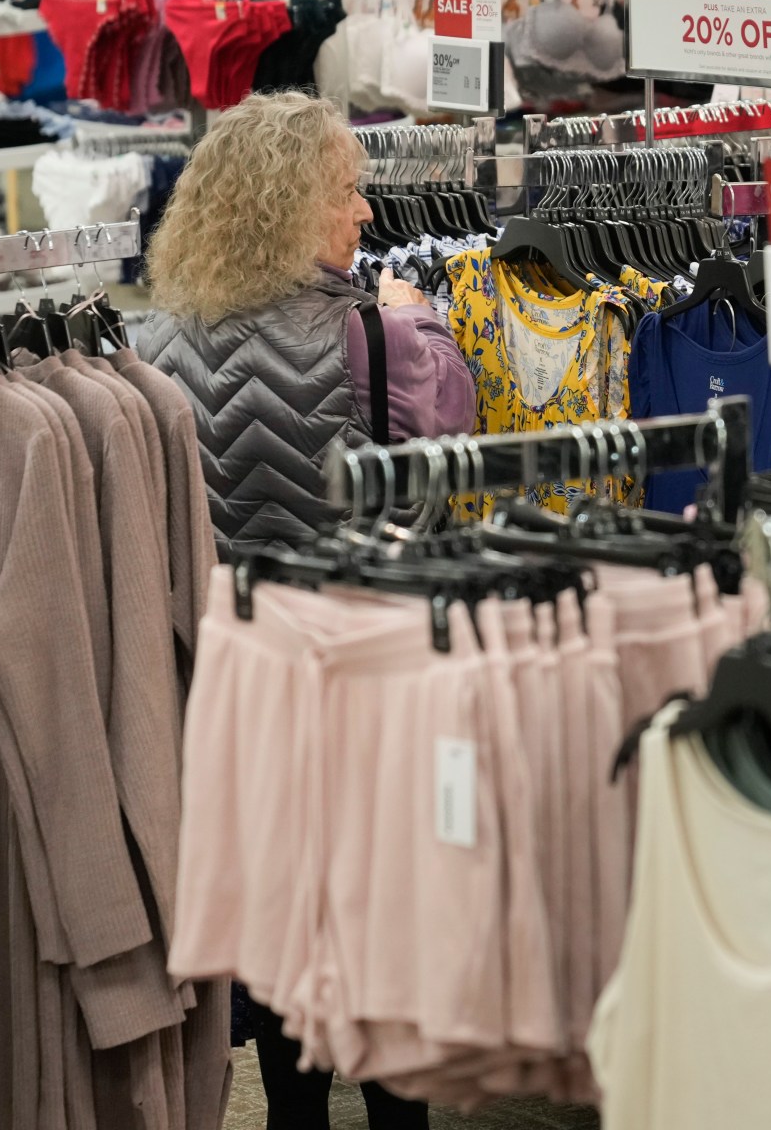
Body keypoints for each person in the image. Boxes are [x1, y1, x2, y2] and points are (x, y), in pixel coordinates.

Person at [137, 90, 474, 1129]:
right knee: (380, 915)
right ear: (291, 206)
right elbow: (442, 494)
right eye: (347, 193)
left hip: (238, 684)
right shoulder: (386, 340)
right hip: (366, 672)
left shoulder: (151, 349)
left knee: (281, 912)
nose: (366, 215)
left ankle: (290, 1112)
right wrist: (437, 334)